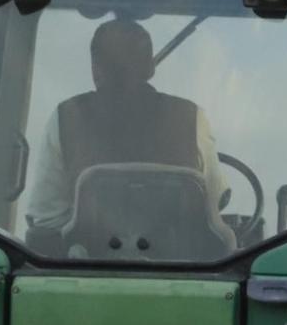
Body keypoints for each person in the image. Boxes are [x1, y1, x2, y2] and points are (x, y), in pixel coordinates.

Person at [24, 18, 229, 238]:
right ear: (150, 68)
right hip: (181, 264)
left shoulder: (65, 117)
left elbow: (45, 215)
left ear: (95, 70)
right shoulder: (191, 117)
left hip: (88, 265)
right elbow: (216, 198)